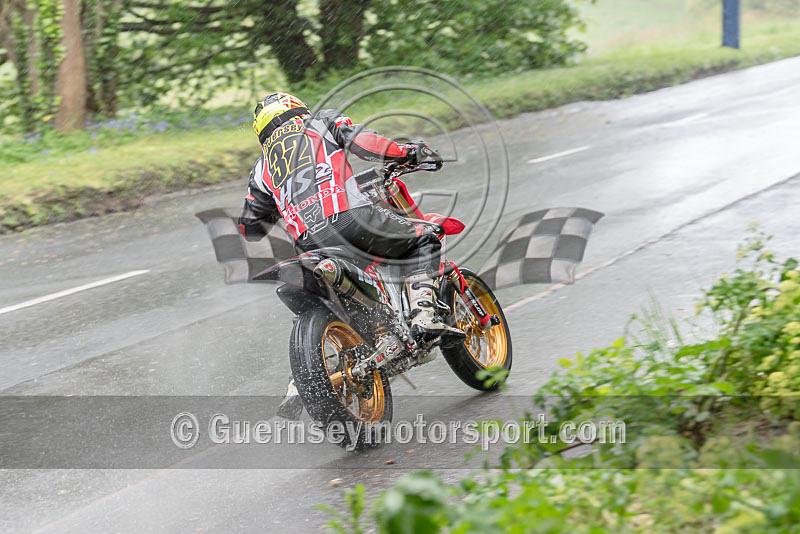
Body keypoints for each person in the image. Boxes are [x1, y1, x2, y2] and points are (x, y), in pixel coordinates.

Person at [238, 92, 464, 341]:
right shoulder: (320, 122)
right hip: (350, 219)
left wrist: (282, 203)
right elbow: (366, 144)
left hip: (308, 242)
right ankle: (424, 315)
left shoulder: (261, 168)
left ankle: (368, 334)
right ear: (298, 107)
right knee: (424, 237)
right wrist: (407, 152)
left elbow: (250, 228)